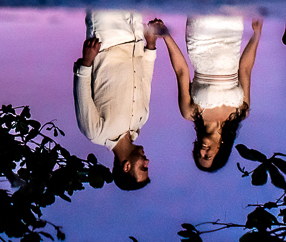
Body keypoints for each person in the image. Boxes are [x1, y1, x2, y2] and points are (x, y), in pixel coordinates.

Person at [152, 16, 263, 172]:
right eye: (207, 156)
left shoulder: (190, 113)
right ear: (221, 151)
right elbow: (245, 70)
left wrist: (166, 36)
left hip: (200, 41)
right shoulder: (241, 112)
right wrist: (256, 35)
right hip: (230, 39)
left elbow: (182, 72)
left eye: (198, 154)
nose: (202, 151)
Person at [73, 10, 162, 190]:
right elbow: (145, 80)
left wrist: (86, 62)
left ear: (126, 166)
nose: (147, 161)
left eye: (143, 167)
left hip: (107, 38)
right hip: (136, 37)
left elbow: (81, 92)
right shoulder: (141, 120)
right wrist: (151, 45)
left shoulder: (96, 133)